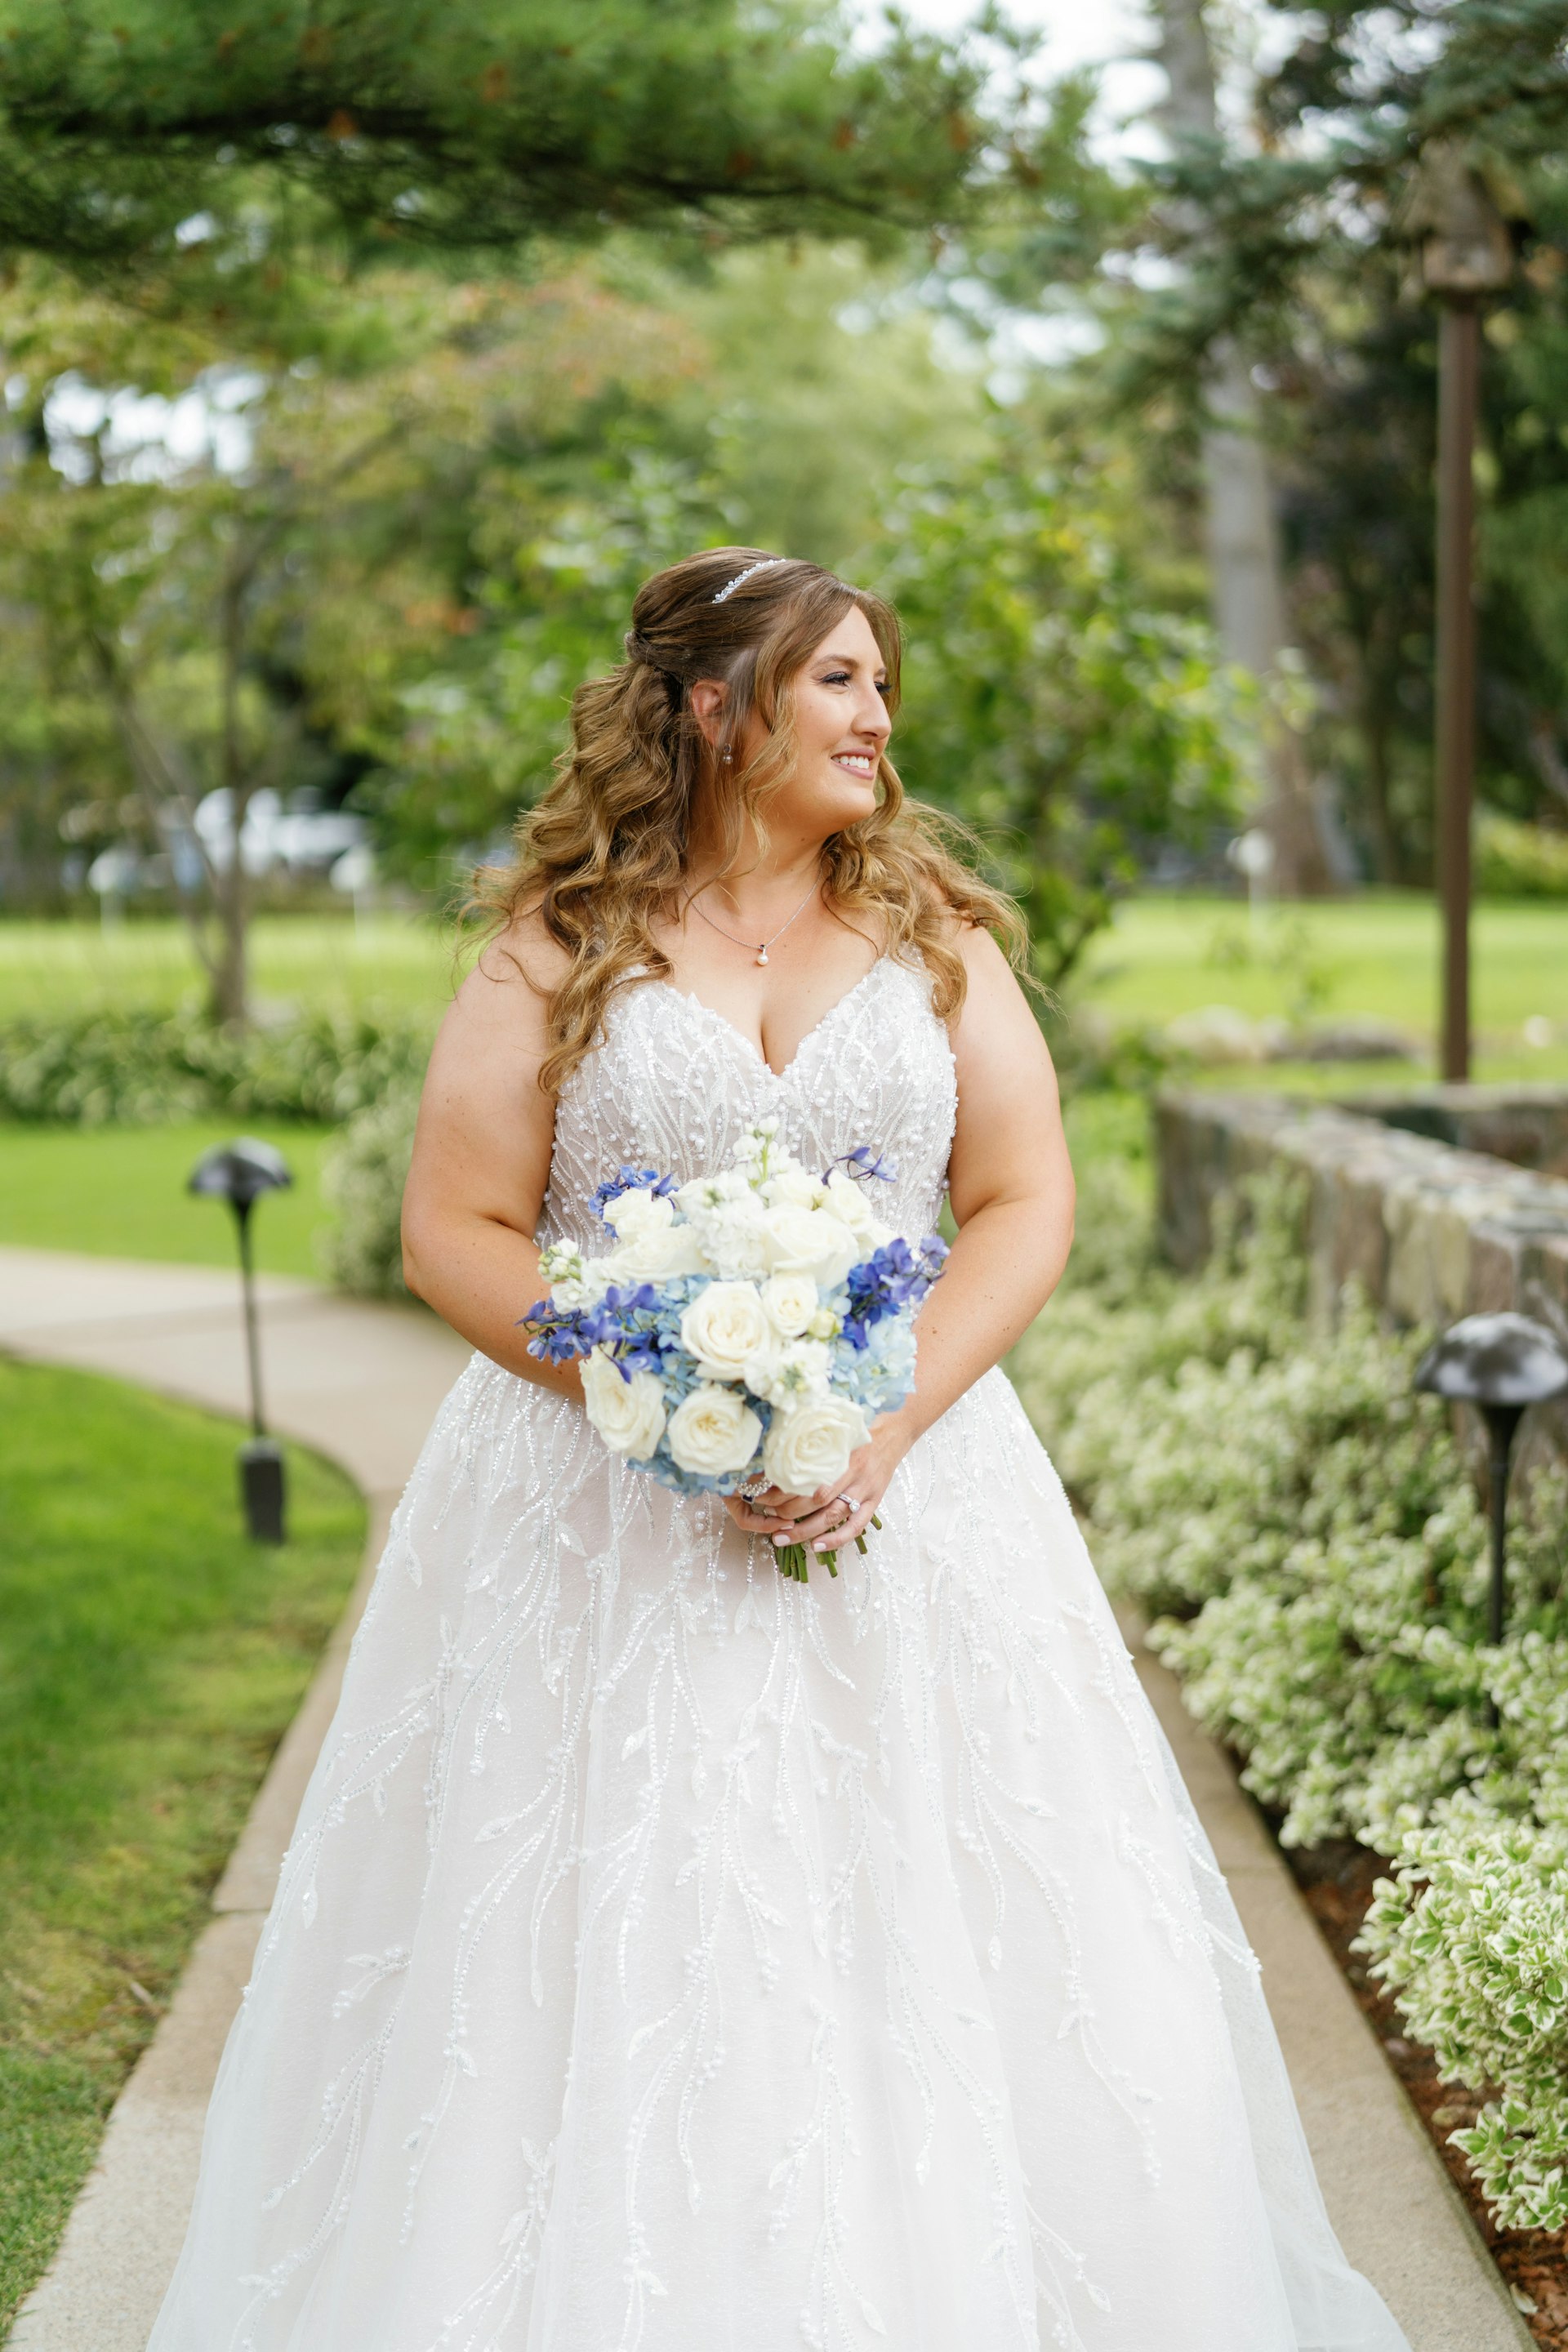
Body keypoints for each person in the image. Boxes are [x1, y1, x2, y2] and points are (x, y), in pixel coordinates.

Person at [148, 550, 1410, 2351]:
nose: (878, 716)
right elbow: (461, 1229)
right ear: (710, 705)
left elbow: (1024, 1197)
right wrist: (649, 1391)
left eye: (880, 682)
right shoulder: (558, 943)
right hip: (597, 1519)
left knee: (934, 1921)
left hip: (919, 1502)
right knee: (606, 1932)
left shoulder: (936, 934)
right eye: (834, 680)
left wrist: (886, 1418)